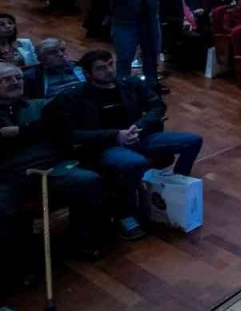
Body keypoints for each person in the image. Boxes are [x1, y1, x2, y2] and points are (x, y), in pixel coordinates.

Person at [53, 50, 202, 242]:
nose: (108, 71)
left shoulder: (130, 83)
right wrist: (115, 135)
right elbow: (72, 133)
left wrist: (140, 126)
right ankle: (124, 212)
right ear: (88, 73)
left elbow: (157, 106)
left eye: (110, 64)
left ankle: (175, 186)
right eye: (101, 68)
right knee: (133, 163)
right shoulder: (77, 97)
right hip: (106, 146)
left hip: (139, 136)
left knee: (193, 141)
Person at [2, 61, 105, 311]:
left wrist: (20, 132)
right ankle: (22, 262)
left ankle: (80, 239)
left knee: (89, 181)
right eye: (7, 80)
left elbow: (56, 125)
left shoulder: (38, 104)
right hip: (9, 175)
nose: (16, 82)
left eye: (17, 77)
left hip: (52, 167)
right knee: (3, 212)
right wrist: (32, 131)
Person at [101, 0, 167, 93]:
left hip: (150, 22)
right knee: (125, 57)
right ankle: (122, 87)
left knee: (151, 55)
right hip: (125, 24)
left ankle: (151, 84)